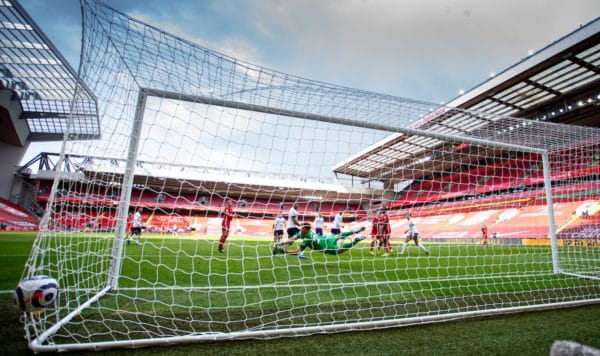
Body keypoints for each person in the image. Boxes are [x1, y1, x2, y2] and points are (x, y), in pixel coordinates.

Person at [274, 223, 366, 259]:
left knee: (339, 251)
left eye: (301, 228)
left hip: (325, 246)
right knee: (339, 235)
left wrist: (284, 251)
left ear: (306, 229)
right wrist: (282, 243)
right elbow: (291, 240)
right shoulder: (306, 233)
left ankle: (355, 241)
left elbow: (298, 252)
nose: (300, 230)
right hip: (325, 238)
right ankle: (354, 231)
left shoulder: (307, 239)